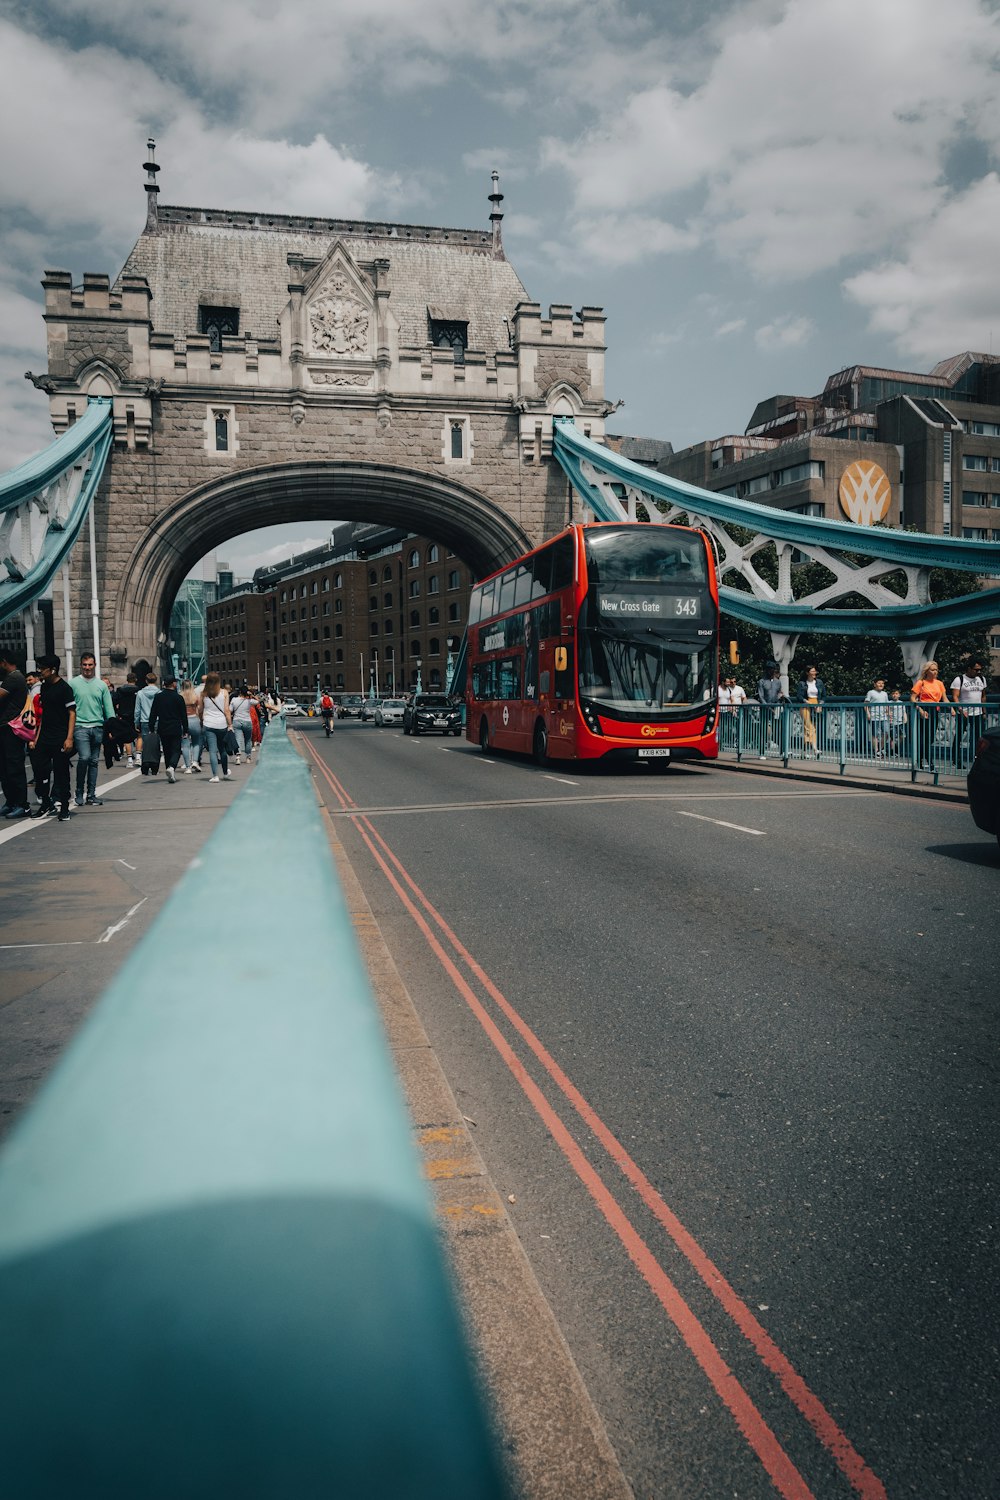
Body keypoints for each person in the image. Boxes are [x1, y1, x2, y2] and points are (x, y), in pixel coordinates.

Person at [29, 654, 76, 820]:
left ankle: (64, 807)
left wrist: (69, 738)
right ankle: (46, 804)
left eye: (43, 668)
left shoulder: (65, 688)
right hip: (44, 737)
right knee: (40, 771)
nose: (40, 671)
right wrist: (36, 737)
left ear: (53, 669)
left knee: (61, 773)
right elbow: (44, 716)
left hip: (60, 737)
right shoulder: (44, 687)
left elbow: (72, 713)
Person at [68, 651, 114, 807]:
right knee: (84, 758)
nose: (87, 667)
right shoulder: (72, 684)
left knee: (94, 762)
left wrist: (111, 729)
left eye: (90, 665)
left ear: (95, 665)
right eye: (85, 665)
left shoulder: (101, 685)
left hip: (98, 727)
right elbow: (67, 708)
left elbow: (109, 709)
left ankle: (91, 794)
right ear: (80, 665)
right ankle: (79, 792)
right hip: (80, 726)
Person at [0, 648, 30, 819]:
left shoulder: (14, 678)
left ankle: (21, 804)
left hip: (12, 729)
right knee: (5, 768)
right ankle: (11, 802)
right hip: (4, 728)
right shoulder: (10, 678)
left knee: (14, 767)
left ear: (4, 662)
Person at [148, 676, 189, 784]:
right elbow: (183, 715)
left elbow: (153, 713)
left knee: (166, 751)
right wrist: (185, 729)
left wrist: (151, 727)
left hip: (163, 727)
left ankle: (169, 771)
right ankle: (171, 768)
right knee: (176, 750)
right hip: (175, 727)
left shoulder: (158, 697)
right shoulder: (178, 698)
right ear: (173, 684)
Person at [911, 661, 950, 769]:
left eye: (936, 670)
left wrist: (952, 708)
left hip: (935, 710)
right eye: (932, 670)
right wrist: (920, 710)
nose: (935, 672)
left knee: (931, 737)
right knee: (923, 737)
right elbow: (913, 698)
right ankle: (924, 760)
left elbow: (944, 698)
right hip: (924, 710)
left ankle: (925, 758)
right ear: (927, 671)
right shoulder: (921, 683)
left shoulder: (939, 683)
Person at [950, 659, 987, 768]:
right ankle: (956, 760)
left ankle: (978, 761)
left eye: (980, 670)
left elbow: (983, 695)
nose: (978, 672)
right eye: (976, 670)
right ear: (969, 669)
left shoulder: (981, 679)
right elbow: (955, 696)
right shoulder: (959, 679)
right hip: (964, 713)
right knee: (959, 736)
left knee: (979, 738)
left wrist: (984, 711)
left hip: (978, 713)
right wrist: (961, 710)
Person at [198, 671, 233, 781]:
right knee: (222, 750)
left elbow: (200, 710)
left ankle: (215, 776)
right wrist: (230, 724)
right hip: (222, 724)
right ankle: (225, 773)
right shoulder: (224, 693)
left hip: (208, 724)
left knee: (212, 751)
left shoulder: (203, 694)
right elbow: (227, 710)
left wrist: (201, 719)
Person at [756, 663, 787, 759]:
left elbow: (779, 693)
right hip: (765, 709)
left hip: (775, 708)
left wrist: (780, 697)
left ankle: (782, 752)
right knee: (763, 731)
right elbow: (761, 696)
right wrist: (767, 706)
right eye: (769, 669)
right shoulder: (761, 681)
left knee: (778, 730)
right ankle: (762, 752)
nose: (771, 671)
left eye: (773, 669)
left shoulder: (778, 682)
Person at [795, 664, 826, 756]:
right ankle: (815, 749)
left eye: (815, 671)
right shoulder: (802, 683)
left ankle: (804, 752)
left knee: (811, 728)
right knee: (809, 727)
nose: (814, 673)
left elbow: (824, 695)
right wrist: (806, 701)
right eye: (812, 671)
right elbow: (799, 696)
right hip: (806, 705)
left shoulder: (819, 682)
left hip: (816, 704)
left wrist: (820, 704)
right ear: (807, 673)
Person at [113, 672, 139, 767]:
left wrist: (118, 710)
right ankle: (138, 757)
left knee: (127, 737)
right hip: (135, 715)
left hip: (123, 715)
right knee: (138, 736)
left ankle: (129, 759)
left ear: (127, 680)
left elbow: (114, 701)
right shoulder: (138, 690)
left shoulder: (120, 690)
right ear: (135, 679)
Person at [180, 679, 203, 771]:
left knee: (185, 744)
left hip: (183, 721)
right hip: (194, 720)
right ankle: (195, 762)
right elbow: (199, 709)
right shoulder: (195, 696)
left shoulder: (180, 696)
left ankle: (187, 766)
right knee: (196, 742)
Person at [864, 677, 890, 759]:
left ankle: (881, 749)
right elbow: (866, 704)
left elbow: (887, 704)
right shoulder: (870, 692)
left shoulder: (885, 693)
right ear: (875, 684)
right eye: (879, 683)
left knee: (886, 733)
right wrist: (868, 713)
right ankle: (876, 751)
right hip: (874, 716)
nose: (881, 685)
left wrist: (888, 712)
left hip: (884, 716)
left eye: (882, 683)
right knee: (875, 735)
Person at [229, 685, 255, 763]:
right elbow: (258, 701)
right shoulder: (249, 701)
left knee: (238, 739)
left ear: (239, 692)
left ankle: (238, 757)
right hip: (247, 721)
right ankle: (248, 757)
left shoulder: (234, 699)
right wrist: (251, 695)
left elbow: (230, 710)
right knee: (248, 740)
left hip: (237, 721)